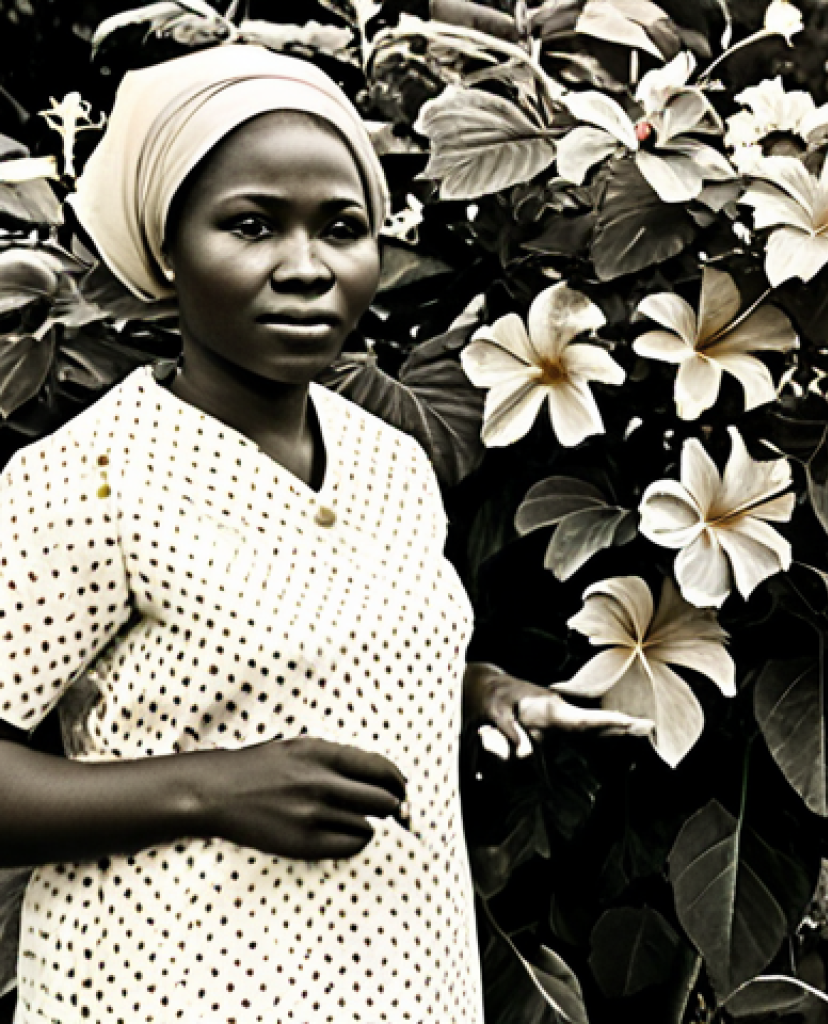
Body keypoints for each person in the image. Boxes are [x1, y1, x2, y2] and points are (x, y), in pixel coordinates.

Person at [0, 45, 652, 1023]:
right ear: (169, 247)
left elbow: (331, 651)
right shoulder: (92, 478)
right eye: (253, 225)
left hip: (402, 977)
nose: (305, 267)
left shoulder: (390, 463)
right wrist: (211, 789)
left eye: (341, 227)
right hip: (170, 986)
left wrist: (483, 691)